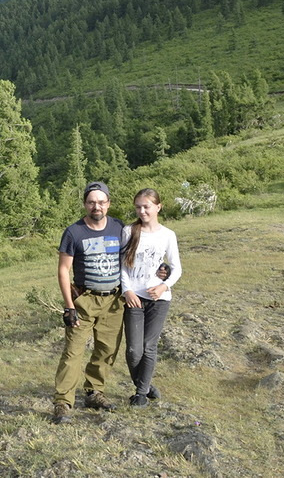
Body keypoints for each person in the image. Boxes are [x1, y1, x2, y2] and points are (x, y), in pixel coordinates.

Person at [52, 181, 125, 424]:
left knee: (106, 349)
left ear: (108, 203)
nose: (97, 206)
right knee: (73, 352)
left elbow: (133, 256)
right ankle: (63, 403)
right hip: (83, 300)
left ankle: (94, 392)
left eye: (101, 202)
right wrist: (68, 306)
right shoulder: (74, 232)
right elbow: (63, 270)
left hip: (113, 300)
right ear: (85, 204)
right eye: (92, 202)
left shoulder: (118, 227)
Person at [121, 188, 182, 406]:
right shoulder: (129, 231)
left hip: (158, 299)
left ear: (158, 207)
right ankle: (146, 385)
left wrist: (164, 286)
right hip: (133, 298)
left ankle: (140, 394)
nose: (142, 211)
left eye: (146, 206)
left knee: (149, 346)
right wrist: (126, 290)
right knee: (133, 350)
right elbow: (123, 267)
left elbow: (176, 268)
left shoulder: (168, 235)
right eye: (138, 207)